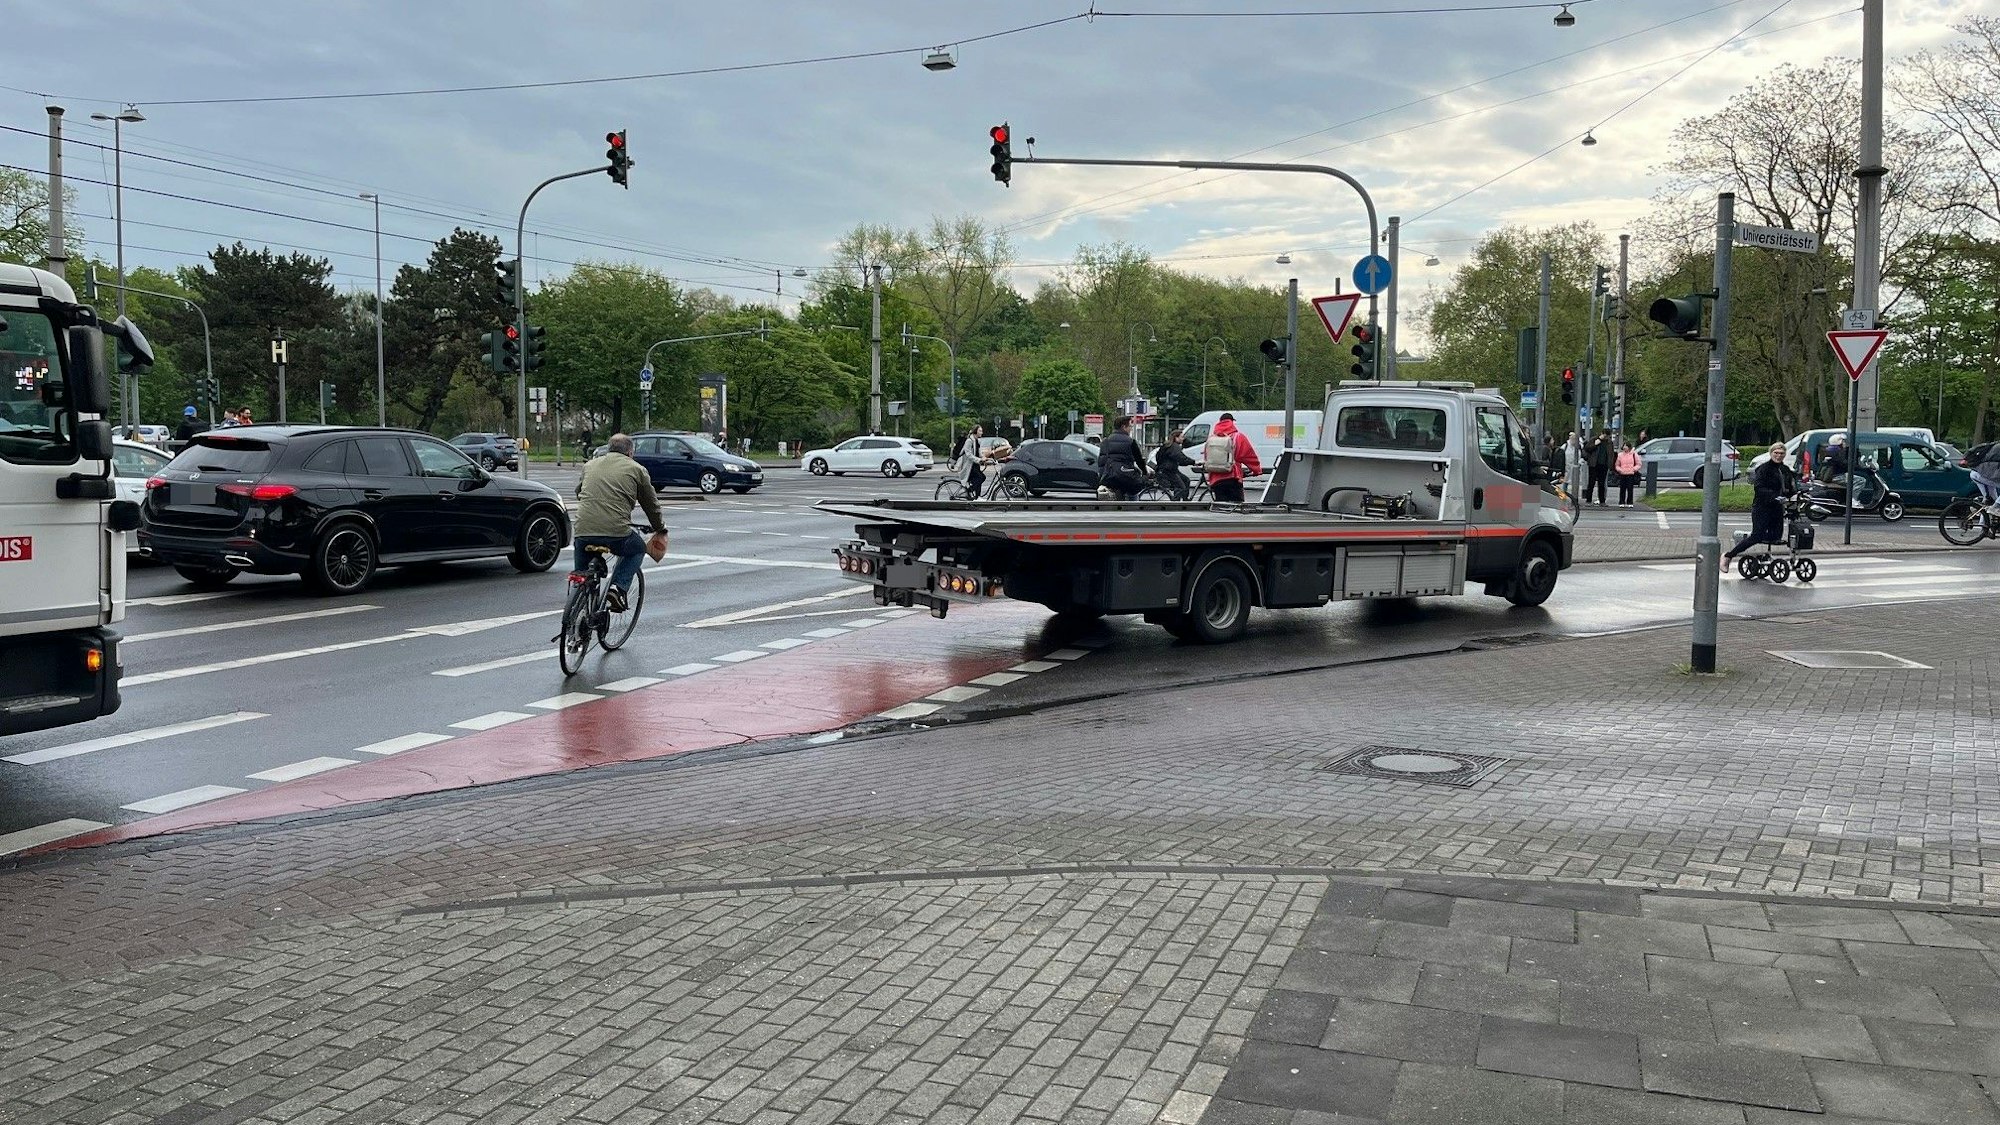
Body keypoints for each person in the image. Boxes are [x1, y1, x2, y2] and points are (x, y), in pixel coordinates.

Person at [572, 433, 668, 613]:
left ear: (609, 449)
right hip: (615, 532)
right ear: (630, 452)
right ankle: (617, 588)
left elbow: (579, 493)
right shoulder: (637, 469)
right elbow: (651, 505)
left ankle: (576, 609)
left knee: (581, 573)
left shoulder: (590, 465)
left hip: (583, 529)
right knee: (638, 548)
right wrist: (660, 528)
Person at [1722, 442, 1797, 573]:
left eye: (1781, 453)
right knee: (1757, 535)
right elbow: (1759, 487)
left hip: (1777, 509)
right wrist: (1774, 496)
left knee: (1776, 537)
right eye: (1776, 453)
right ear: (1771, 453)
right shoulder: (1764, 469)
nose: (1778, 456)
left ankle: (1764, 558)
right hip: (1762, 507)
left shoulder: (1785, 470)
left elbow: (1789, 488)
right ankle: (1728, 556)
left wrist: (1795, 494)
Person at [1204, 412, 1263, 504]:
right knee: (1237, 508)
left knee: (1221, 507)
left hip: (1216, 478)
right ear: (1232, 422)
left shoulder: (1211, 438)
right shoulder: (1238, 437)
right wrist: (1256, 470)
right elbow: (1249, 456)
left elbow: (1207, 456)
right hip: (1232, 477)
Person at [1097, 415, 1148, 501]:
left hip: (1112, 477)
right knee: (1133, 494)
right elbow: (1139, 460)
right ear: (1124, 427)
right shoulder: (1131, 441)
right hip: (1126, 476)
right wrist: (1145, 472)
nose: (1131, 429)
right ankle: (1134, 509)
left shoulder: (1106, 441)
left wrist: (1103, 477)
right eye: (1130, 427)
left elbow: (1102, 461)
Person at [1153, 427, 1194, 500]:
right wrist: (1194, 462)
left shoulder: (1168, 445)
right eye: (1182, 437)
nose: (1183, 439)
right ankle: (1175, 503)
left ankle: (1184, 501)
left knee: (1186, 480)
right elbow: (1181, 458)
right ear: (1176, 438)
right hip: (1168, 471)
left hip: (1166, 469)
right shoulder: (1174, 447)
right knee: (1180, 487)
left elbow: (1177, 459)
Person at [1965, 439, 2000, 512]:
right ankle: (1996, 507)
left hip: (1977, 472)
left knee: (1990, 501)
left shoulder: (1995, 445)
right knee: (1992, 505)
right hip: (1983, 475)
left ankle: (1983, 522)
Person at [958, 424, 989, 497]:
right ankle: (968, 491)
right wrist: (979, 460)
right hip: (969, 466)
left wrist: (984, 457)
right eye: (980, 431)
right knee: (981, 478)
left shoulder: (977, 441)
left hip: (975, 465)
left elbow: (979, 452)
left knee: (979, 479)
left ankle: (977, 497)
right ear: (975, 431)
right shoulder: (969, 441)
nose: (982, 432)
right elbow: (968, 454)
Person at [1586, 431, 1611, 506]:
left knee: (1601, 484)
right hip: (1594, 464)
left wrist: (1610, 464)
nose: (1606, 437)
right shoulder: (1594, 439)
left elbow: (1611, 453)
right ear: (1601, 434)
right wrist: (1595, 444)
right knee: (1591, 482)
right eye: (1605, 435)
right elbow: (1587, 448)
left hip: (1604, 465)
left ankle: (1602, 500)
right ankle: (1588, 500)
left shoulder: (1609, 442)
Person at [1614, 441, 1641, 507]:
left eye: (1626, 446)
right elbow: (1617, 465)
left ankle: (1630, 502)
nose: (1624, 447)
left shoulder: (1634, 454)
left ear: (1629, 447)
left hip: (1630, 473)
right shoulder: (1620, 455)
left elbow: (1639, 464)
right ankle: (1621, 502)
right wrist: (1619, 470)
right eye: (1624, 446)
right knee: (1622, 489)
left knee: (1630, 489)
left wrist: (1633, 469)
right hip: (1622, 473)